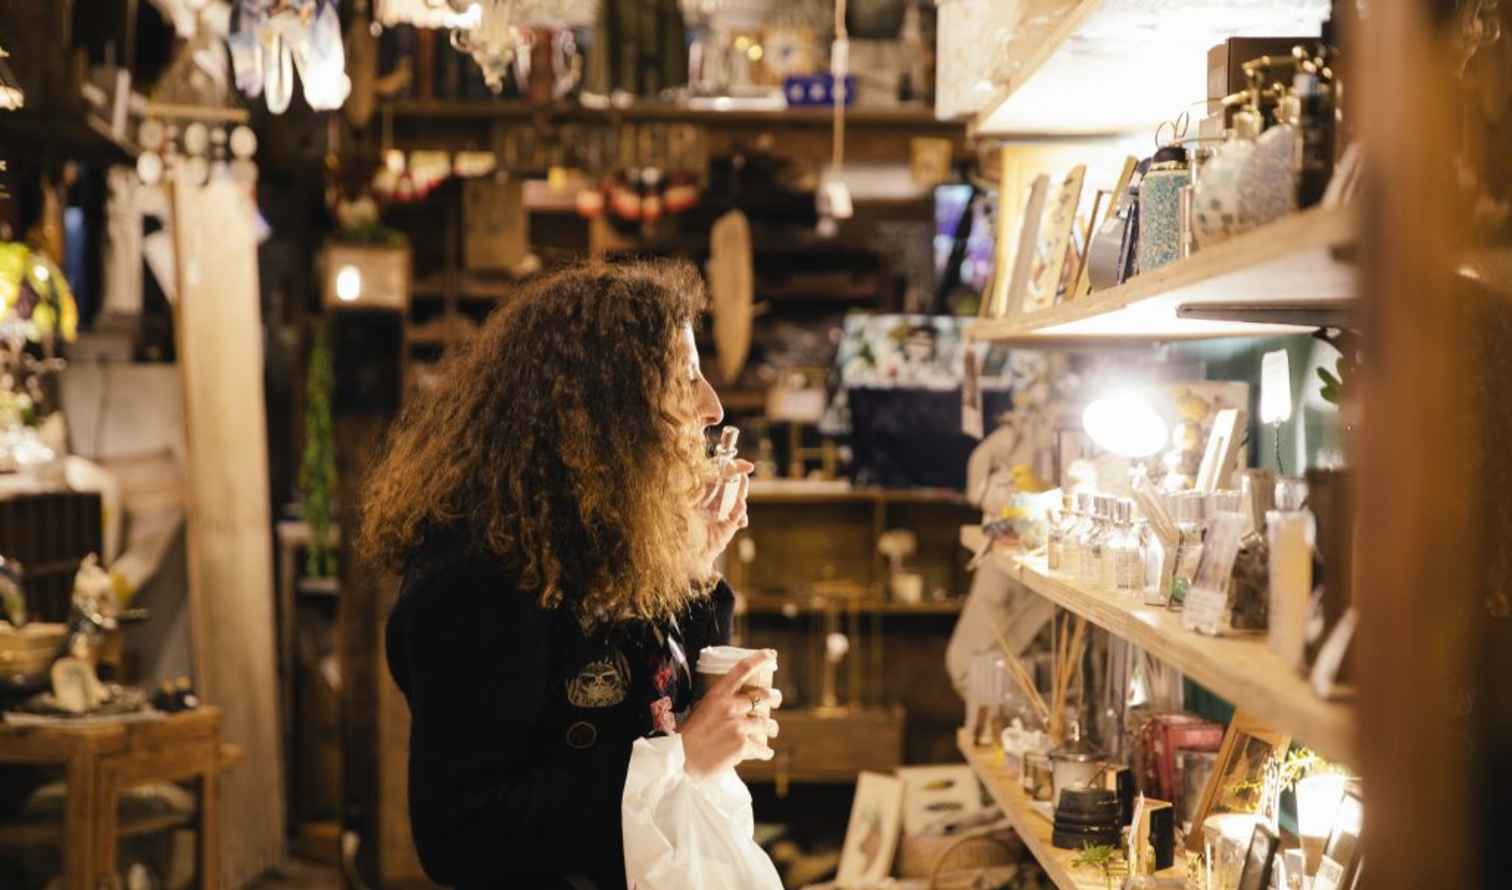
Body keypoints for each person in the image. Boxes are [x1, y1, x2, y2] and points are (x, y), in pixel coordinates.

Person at [362, 260, 780, 890]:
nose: (711, 406)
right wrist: (684, 758)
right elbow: (459, 835)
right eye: (683, 378)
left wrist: (696, 567)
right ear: (603, 406)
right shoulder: (473, 581)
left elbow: (663, 698)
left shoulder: (611, 534)